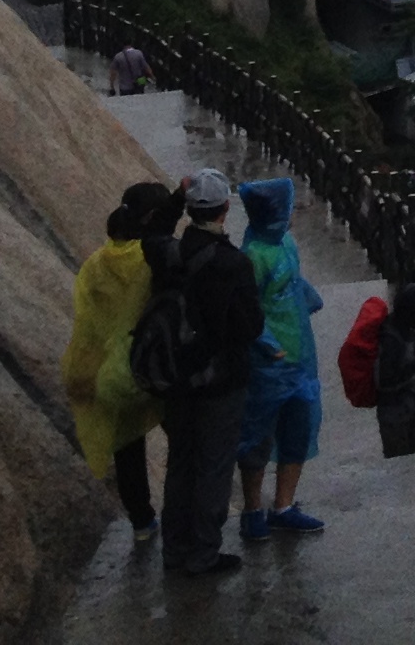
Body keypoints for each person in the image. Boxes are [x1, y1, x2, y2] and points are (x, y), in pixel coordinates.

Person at [157, 167, 265, 578]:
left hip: (177, 380)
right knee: (214, 467)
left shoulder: (169, 254)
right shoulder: (232, 263)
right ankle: (203, 553)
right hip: (220, 382)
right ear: (225, 209)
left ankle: (174, 551)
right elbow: (250, 326)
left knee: (181, 464)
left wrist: (174, 198)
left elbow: (150, 234)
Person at [62, 181, 175, 544]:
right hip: (156, 365)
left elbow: (89, 319)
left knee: (128, 447)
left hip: (115, 371)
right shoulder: (152, 258)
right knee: (183, 438)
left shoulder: (97, 263)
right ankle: (181, 514)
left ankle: (142, 522)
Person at [234, 177, 328, 540]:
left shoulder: (285, 243)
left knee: (298, 430)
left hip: (300, 358)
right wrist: (268, 344)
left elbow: (293, 283)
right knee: (258, 436)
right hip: (268, 365)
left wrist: (309, 299)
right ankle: (253, 509)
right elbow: (247, 307)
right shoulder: (253, 255)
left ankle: (284, 506)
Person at [373, 279, 415, 458]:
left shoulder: (405, 329)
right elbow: (385, 380)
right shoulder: (390, 339)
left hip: (411, 407)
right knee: (400, 464)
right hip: (395, 416)